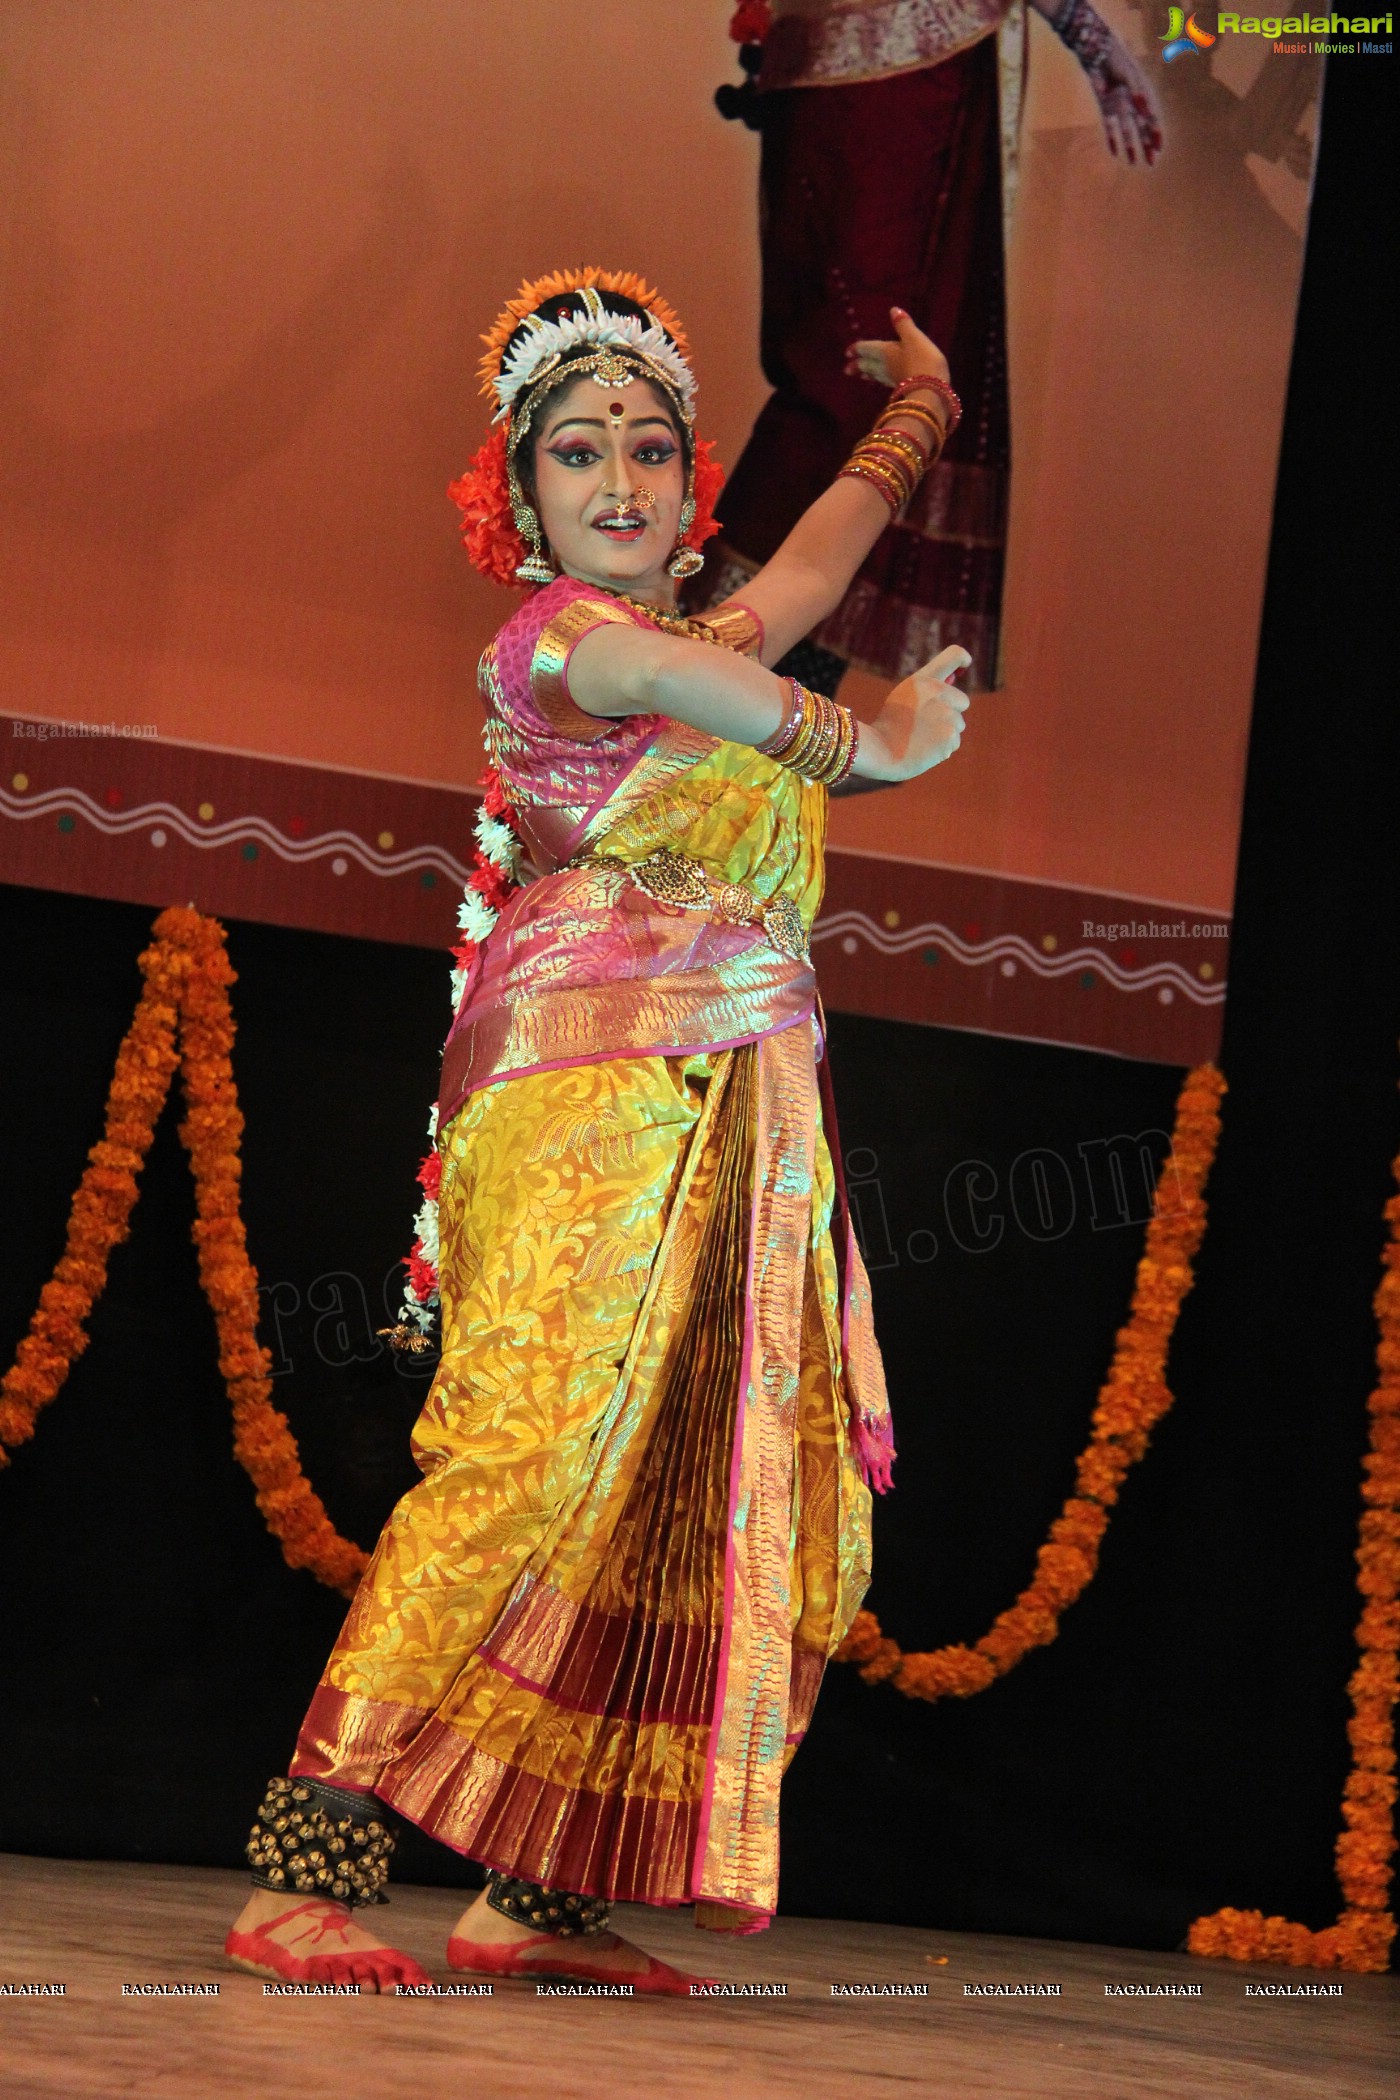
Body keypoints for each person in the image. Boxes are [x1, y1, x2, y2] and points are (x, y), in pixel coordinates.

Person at [224, 267, 973, 1996]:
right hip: (581, 1085)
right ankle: (301, 1869)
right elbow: (727, 700)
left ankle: (533, 1898)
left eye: (649, 448)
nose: (621, 482)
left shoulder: (703, 627)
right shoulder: (559, 641)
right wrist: (878, 750)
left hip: (735, 1090)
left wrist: (918, 417)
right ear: (524, 493)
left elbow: (805, 573)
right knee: (526, 1454)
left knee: (696, 1474)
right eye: (580, 454)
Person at [710, 0, 1162, 694]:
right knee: (866, 389)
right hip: (899, 65)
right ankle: (730, 681)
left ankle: (734, 688)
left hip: (837, 57)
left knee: (847, 379)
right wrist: (1089, 36)